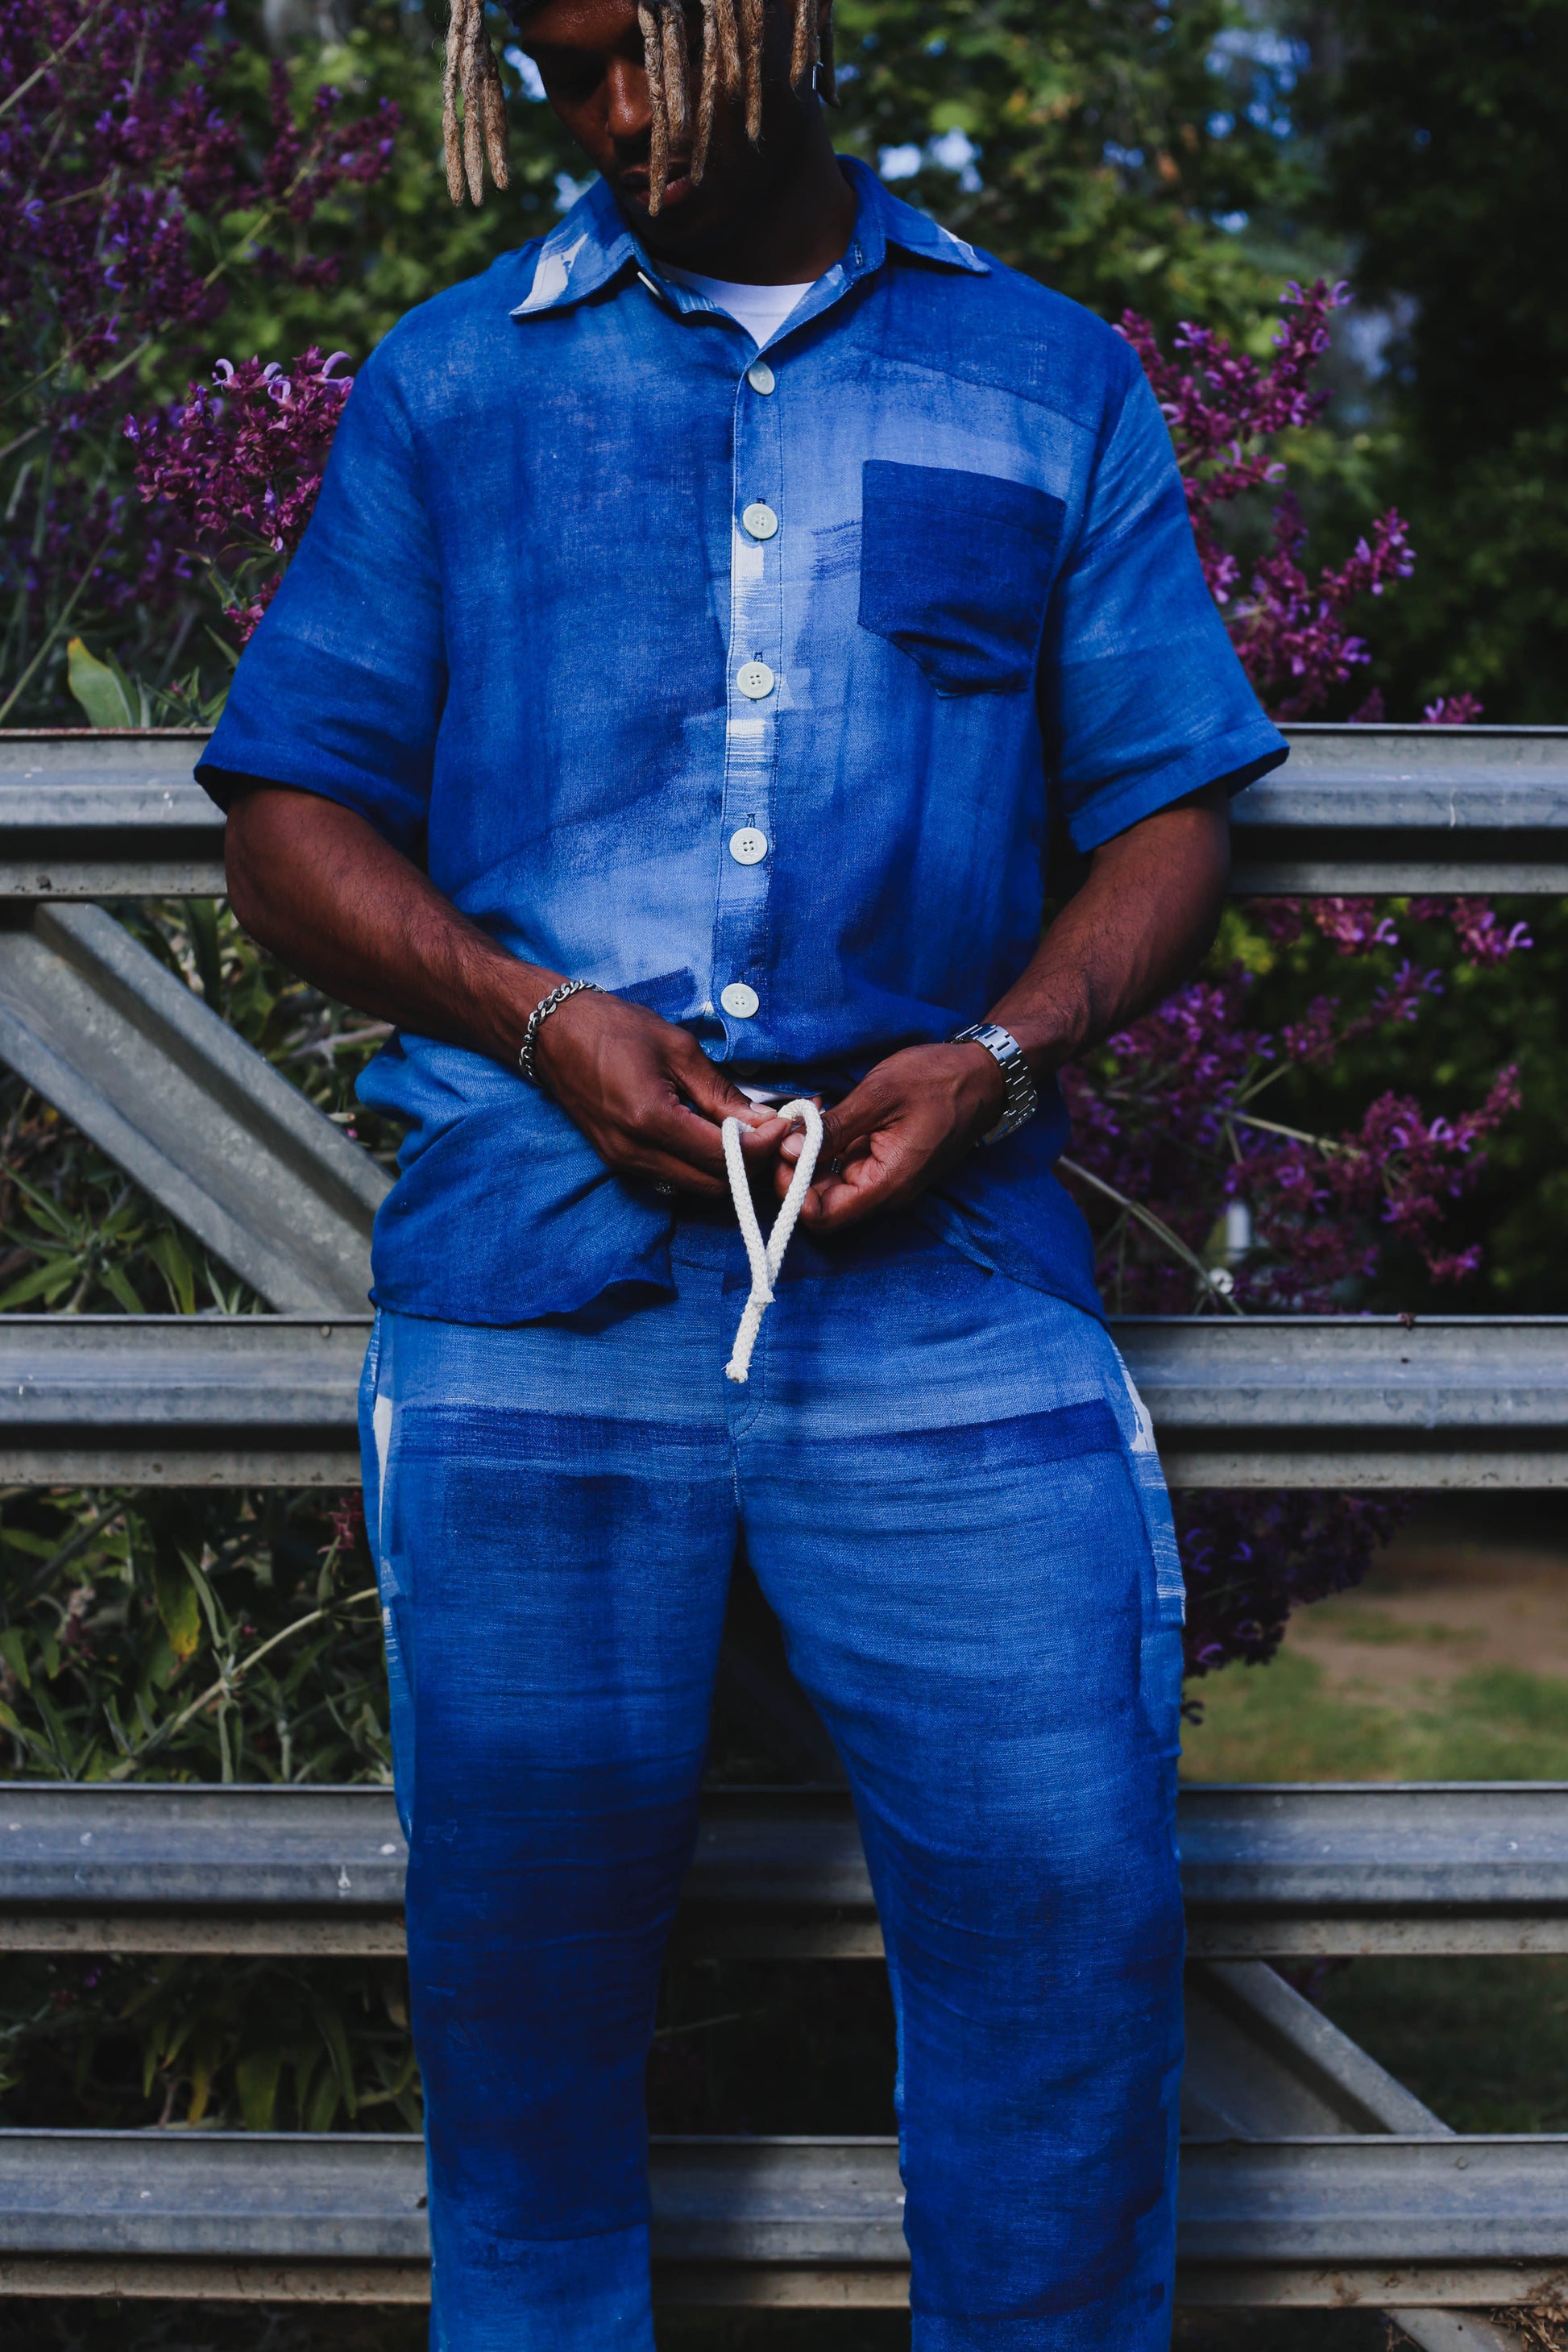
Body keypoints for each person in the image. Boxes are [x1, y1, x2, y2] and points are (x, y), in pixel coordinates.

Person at [199, 0, 1288, 2342]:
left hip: (945, 1279)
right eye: (558, 67)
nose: (609, 117)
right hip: (535, 1274)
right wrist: (539, 1021)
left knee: (1066, 1936)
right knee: (524, 2009)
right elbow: (285, 813)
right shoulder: (452, 385)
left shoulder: (1048, 379)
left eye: (646, 56)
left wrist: (991, 1058)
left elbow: (1170, 811)